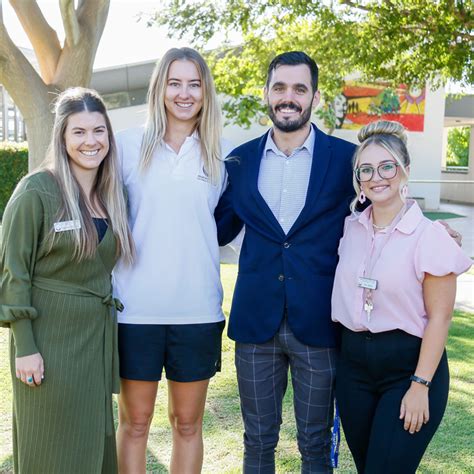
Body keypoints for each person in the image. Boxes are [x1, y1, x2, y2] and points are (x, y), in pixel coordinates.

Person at [215, 51, 357, 473]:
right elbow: (215, 229)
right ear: (266, 94)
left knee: (314, 443)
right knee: (257, 440)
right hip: (255, 325)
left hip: (319, 325)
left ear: (314, 96)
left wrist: (431, 229)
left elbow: (382, 209)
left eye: (299, 88)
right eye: (279, 87)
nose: (288, 97)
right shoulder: (239, 161)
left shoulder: (345, 159)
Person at [0, 87, 134, 473]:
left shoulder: (114, 195)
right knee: (51, 443)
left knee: (94, 440)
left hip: (95, 341)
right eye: (79, 132)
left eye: (99, 131)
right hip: (47, 343)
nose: (90, 141)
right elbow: (13, 272)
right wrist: (25, 345)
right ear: (61, 136)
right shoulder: (36, 191)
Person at [113, 47, 232, 474]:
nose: (184, 93)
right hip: (134, 312)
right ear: (160, 87)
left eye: (194, 84)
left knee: (187, 424)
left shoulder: (220, 156)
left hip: (196, 312)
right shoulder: (125, 146)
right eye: (175, 82)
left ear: (205, 92)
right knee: (136, 422)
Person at [331, 120, 472, 473]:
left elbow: (440, 318)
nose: (377, 176)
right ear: (359, 180)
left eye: (387, 166)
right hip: (353, 371)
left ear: (405, 171)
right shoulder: (350, 228)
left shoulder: (431, 237)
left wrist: (420, 385)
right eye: (367, 169)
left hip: (408, 369)